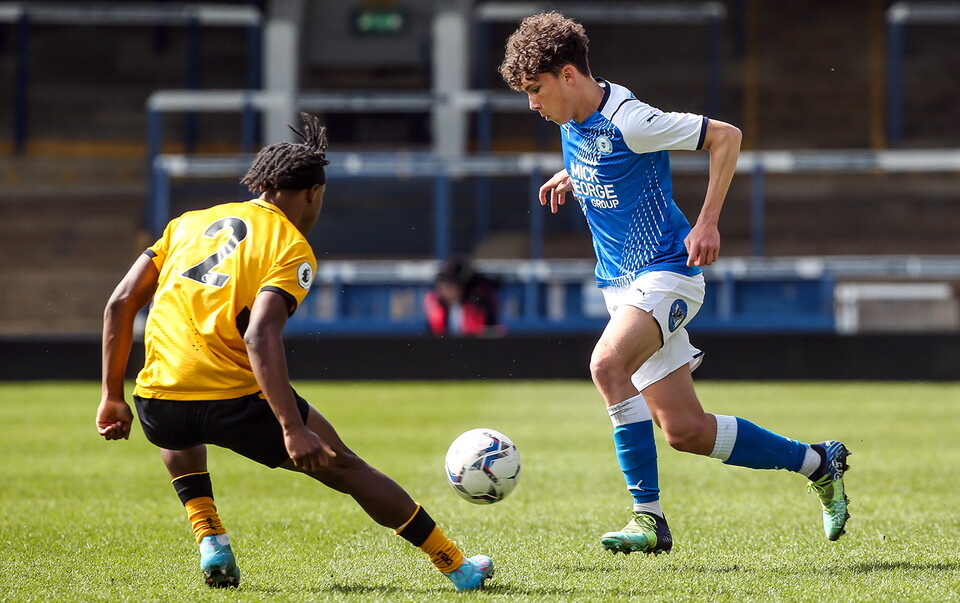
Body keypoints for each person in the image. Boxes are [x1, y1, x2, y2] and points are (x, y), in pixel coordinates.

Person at [499, 13, 850, 555]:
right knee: (685, 431)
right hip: (622, 287)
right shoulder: (576, 117)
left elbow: (726, 138)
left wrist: (708, 221)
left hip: (667, 274)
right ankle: (818, 462)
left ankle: (648, 519)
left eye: (535, 90)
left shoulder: (632, 119)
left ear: (568, 75)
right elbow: (608, 156)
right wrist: (576, 174)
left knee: (604, 366)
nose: (531, 104)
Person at [95, 113, 493, 591]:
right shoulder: (291, 245)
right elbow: (261, 335)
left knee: (179, 436)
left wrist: (111, 397)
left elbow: (120, 303)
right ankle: (458, 566)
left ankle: (211, 539)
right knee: (345, 466)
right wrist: (291, 428)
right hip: (235, 401)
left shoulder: (186, 224)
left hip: (158, 402)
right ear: (311, 193)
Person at [424, 256, 503, 337]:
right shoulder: (436, 307)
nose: (443, 292)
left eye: (449, 287)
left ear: (460, 288)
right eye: (440, 288)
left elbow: (493, 332)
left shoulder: (479, 306)